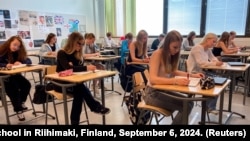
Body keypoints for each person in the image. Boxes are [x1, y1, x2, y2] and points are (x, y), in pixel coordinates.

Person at [143, 30, 204, 125]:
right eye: (174, 47)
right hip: (152, 94)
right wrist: (175, 81)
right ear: (167, 44)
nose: (176, 50)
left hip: (162, 91)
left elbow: (173, 72)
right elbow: (153, 80)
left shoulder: (169, 55)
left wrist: (192, 75)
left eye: (179, 47)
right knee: (187, 105)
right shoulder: (157, 54)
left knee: (189, 103)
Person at [56, 32, 110, 125]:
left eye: (82, 44)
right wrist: (85, 68)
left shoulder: (77, 54)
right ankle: (94, 106)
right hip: (61, 83)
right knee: (80, 89)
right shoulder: (62, 53)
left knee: (79, 92)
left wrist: (84, 69)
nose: (80, 46)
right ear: (72, 42)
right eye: (79, 44)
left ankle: (75, 122)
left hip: (75, 83)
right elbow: (69, 69)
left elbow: (76, 70)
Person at [187, 32, 223, 114]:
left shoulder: (208, 49)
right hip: (195, 73)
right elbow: (201, 63)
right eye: (213, 41)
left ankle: (209, 105)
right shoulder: (197, 48)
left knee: (219, 79)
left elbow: (213, 58)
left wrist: (217, 62)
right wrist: (215, 63)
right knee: (215, 81)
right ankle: (210, 107)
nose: (214, 44)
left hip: (202, 71)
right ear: (207, 39)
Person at [0, 35, 32, 121]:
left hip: (14, 74)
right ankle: (19, 110)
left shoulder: (18, 52)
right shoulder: (2, 51)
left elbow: (28, 61)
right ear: (9, 42)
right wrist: (5, 65)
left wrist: (21, 62)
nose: (16, 47)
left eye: (18, 46)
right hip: (3, 76)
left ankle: (21, 103)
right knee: (13, 89)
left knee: (27, 84)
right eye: (14, 44)